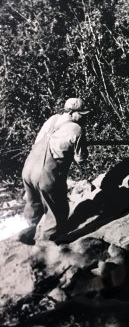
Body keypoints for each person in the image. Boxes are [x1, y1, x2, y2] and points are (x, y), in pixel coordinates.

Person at [19, 98, 90, 244]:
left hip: (28, 169)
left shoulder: (52, 119)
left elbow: (37, 142)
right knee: (57, 210)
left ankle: (27, 233)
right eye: (81, 114)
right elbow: (80, 159)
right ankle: (47, 243)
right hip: (46, 174)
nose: (84, 117)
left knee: (33, 204)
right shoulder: (76, 129)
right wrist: (82, 145)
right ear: (71, 113)